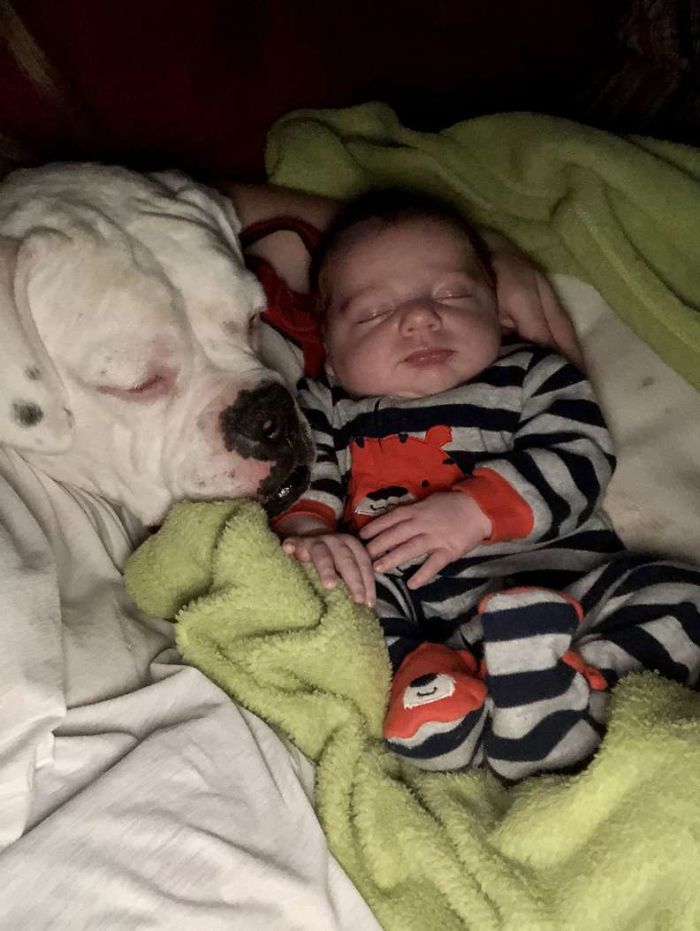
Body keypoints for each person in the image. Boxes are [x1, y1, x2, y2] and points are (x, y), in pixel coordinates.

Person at [270, 189, 700, 779]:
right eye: (372, 313)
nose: (420, 318)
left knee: (683, 596)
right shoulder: (327, 405)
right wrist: (308, 530)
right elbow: (304, 477)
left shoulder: (533, 374)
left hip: (568, 588)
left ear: (500, 312)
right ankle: (449, 714)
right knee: (347, 604)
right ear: (334, 357)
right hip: (427, 620)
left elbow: (581, 459)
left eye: (451, 294)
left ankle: (571, 681)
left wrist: (472, 511)